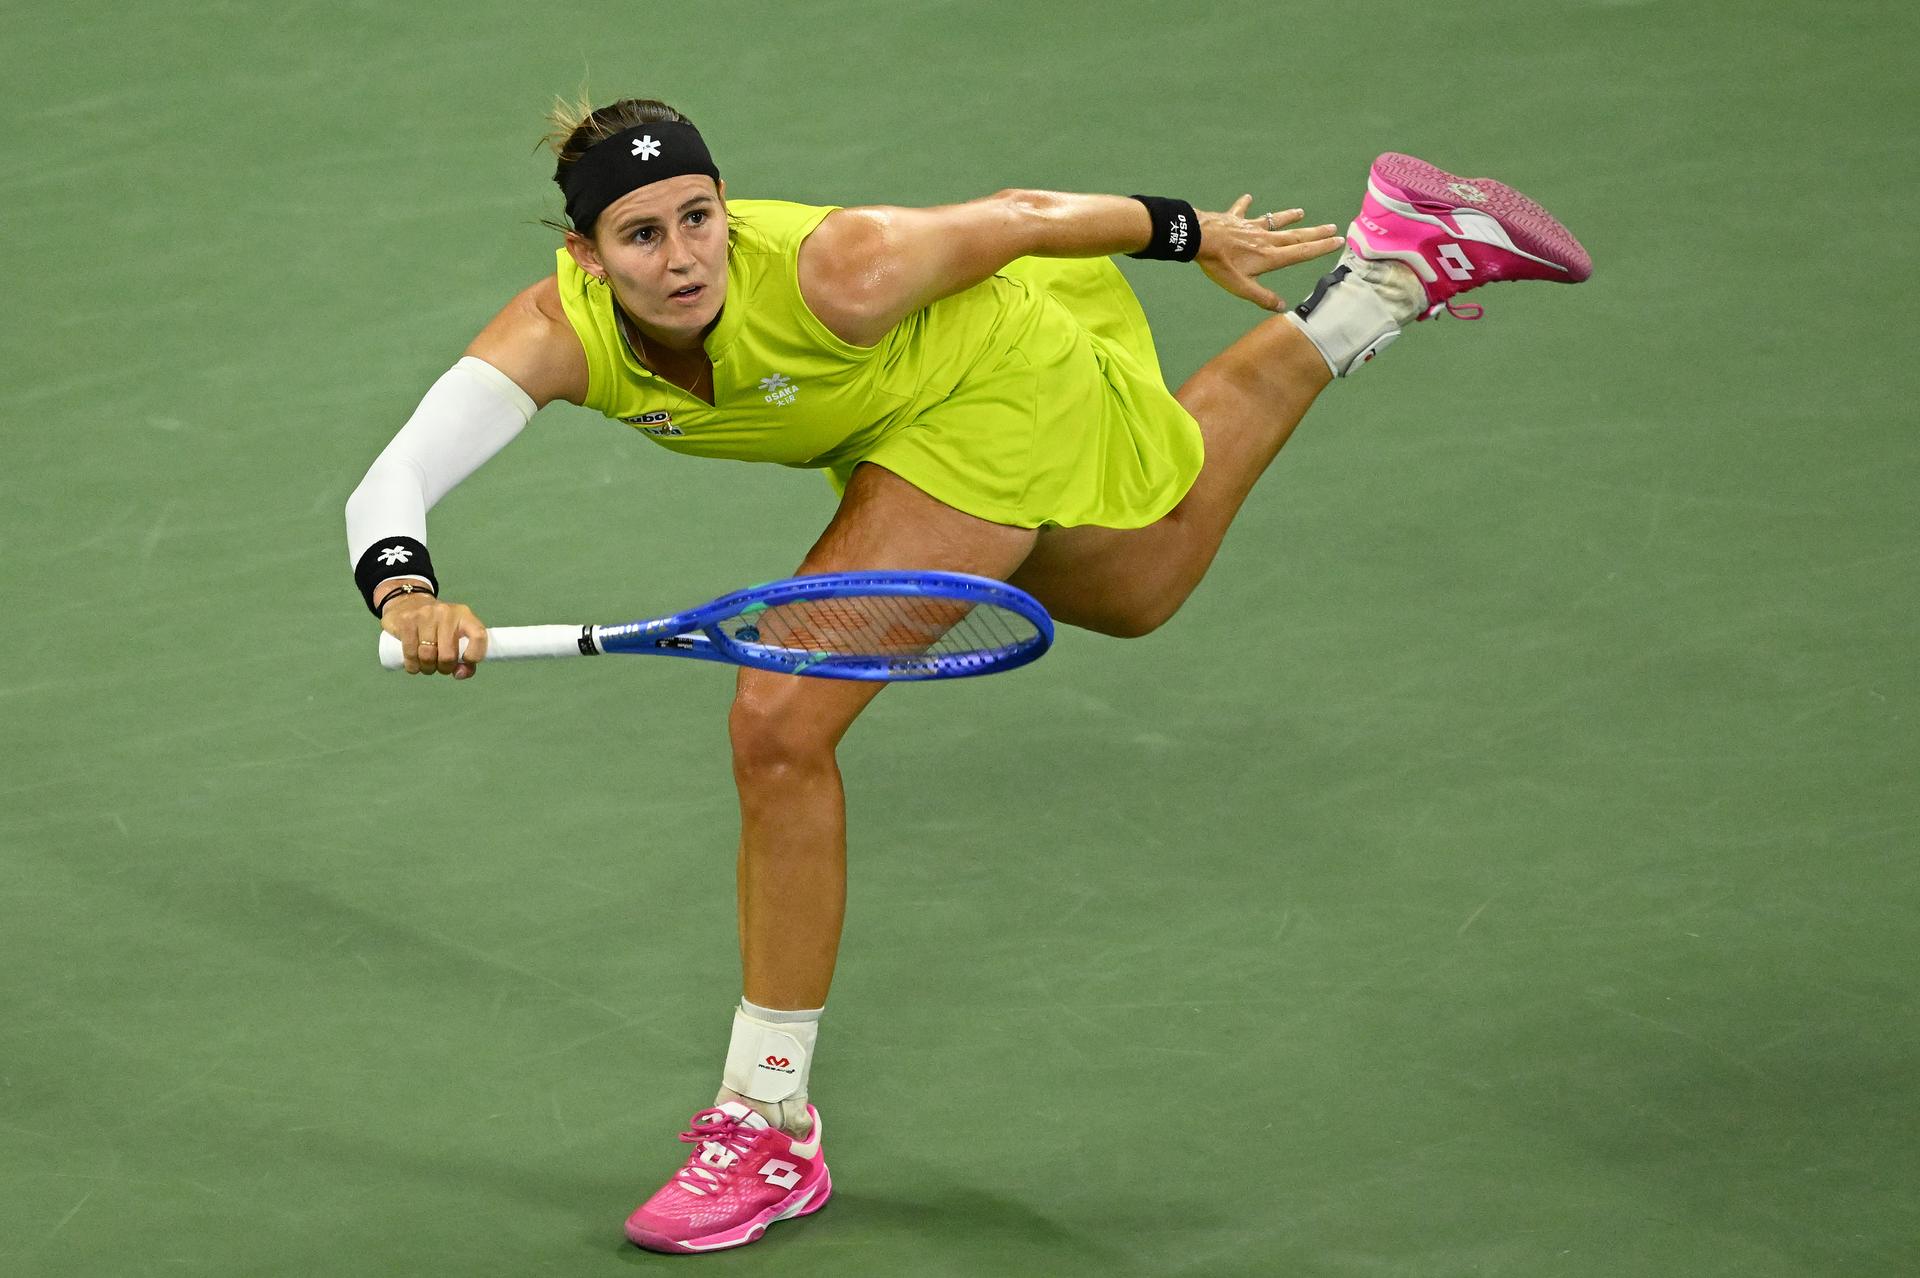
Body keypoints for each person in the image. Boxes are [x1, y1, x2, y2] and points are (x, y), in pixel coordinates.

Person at [344, 96, 1590, 1254]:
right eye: (640, 236)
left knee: (778, 724)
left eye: (699, 218)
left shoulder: (842, 267)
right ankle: (1385, 276)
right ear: (583, 254)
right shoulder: (555, 335)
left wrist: (1199, 234)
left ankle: (766, 1127)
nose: (682, 257)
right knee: (1137, 587)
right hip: (898, 421)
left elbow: (1024, 218)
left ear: (727, 208)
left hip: (991, 384)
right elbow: (389, 484)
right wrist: (407, 592)